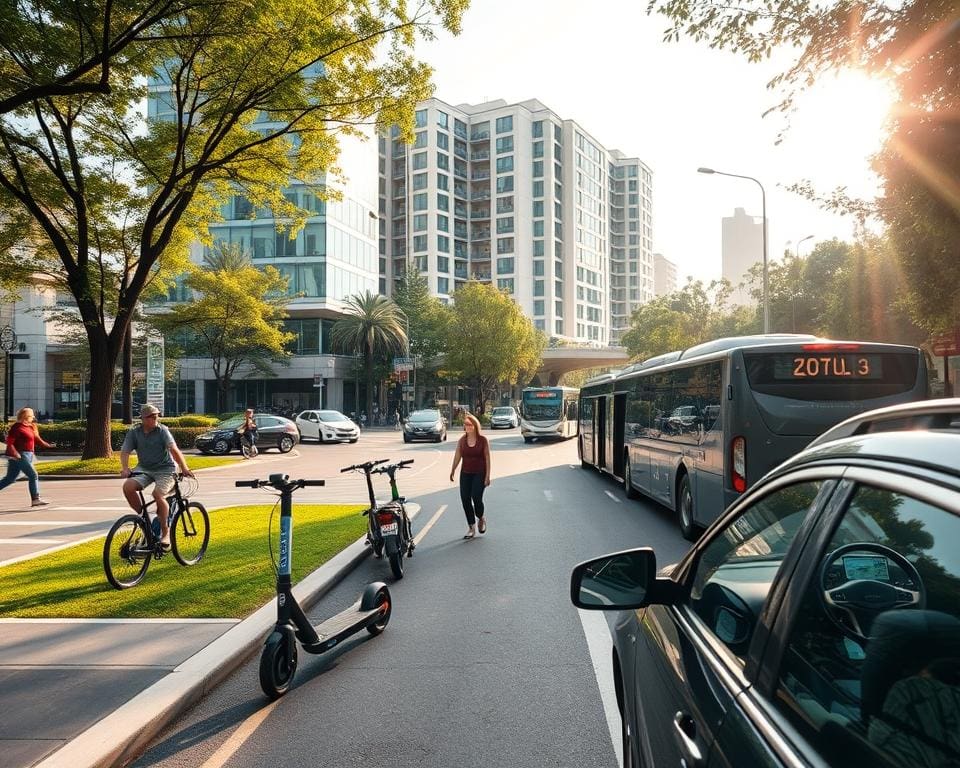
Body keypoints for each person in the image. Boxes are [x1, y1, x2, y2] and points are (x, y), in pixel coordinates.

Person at [120, 404, 194, 550]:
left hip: (165, 470)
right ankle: (144, 518)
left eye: (156, 415)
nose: (155, 418)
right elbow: (125, 451)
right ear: (142, 418)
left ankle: (165, 533)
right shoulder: (134, 432)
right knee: (127, 487)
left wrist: (184, 467)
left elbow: (174, 450)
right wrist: (125, 468)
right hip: (144, 468)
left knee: (158, 494)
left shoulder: (162, 431)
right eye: (151, 416)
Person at [0, 406, 56, 506]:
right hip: (20, 455)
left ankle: (35, 499)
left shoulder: (30, 426)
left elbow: (37, 439)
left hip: (28, 454)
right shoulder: (16, 427)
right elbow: (10, 442)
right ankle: (35, 499)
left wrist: (48, 445)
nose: (33, 417)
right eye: (31, 415)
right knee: (33, 475)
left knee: (10, 478)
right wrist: (15, 453)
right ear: (26, 416)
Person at [449, 413, 491, 539]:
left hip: (480, 472)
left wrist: (488, 475)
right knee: (465, 499)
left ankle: (481, 517)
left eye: (469, 424)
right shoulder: (462, 441)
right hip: (465, 473)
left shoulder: (483, 440)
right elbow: (457, 456)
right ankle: (471, 527)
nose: (466, 426)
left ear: (475, 425)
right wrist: (452, 470)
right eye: (465, 424)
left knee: (476, 497)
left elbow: (487, 458)